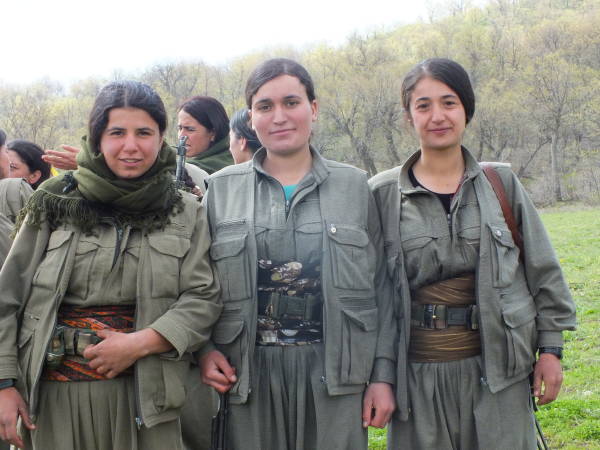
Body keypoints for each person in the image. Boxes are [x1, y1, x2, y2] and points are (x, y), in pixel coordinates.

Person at [0, 80, 222, 450]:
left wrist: (140, 343)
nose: (131, 145)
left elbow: (203, 297)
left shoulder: (185, 210)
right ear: (97, 138)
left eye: (144, 133)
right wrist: (5, 383)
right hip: (53, 402)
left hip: (146, 400)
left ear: (161, 138)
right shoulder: (55, 202)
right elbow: (8, 296)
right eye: (117, 132)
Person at [369, 58, 577, 449]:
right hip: (418, 378)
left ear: (467, 109)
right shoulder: (381, 194)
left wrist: (550, 350)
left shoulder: (501, 183)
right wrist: (381, 375)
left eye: (449, 102)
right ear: (408, 116)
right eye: (423, 105)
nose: (437, 116)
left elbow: (543, 269)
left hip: (500, 372)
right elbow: (375, 295)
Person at [199, 58, 396, 450]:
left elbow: (383, 289)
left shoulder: (355, 186)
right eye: (265, 106)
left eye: (291, 102)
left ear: (313, 108)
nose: (279, 117)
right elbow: (196, 283)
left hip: (336, 374)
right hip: (247, 376)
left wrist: (382, 375)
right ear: (251, 118)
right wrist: (203, 351)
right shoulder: (220, 190)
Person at [178, 96, 233, 174]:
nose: (181, 136)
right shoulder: (234, 156)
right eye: (180, 128)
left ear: (213, 133)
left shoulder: (194, 171)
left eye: (190, 129)